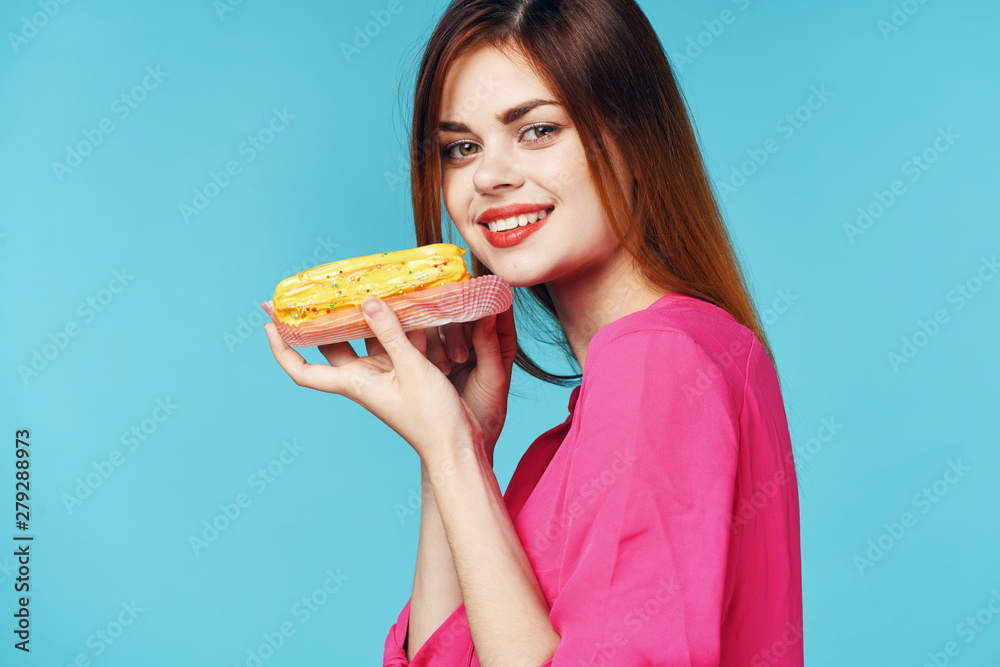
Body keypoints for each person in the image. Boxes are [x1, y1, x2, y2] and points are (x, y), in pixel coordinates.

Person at [263, 0, 804, 664]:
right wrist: (453, 446)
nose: (489, 177)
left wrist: (455, 454)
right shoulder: (599, 417)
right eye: (461, 148)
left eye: (538, 130)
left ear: (634, 140)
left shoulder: (658, 362)